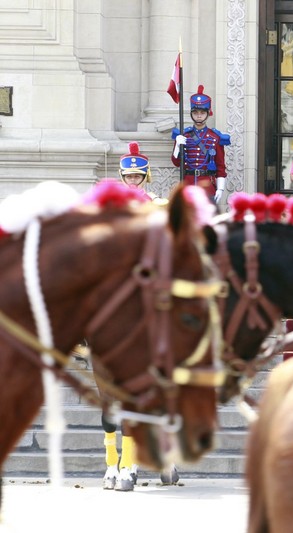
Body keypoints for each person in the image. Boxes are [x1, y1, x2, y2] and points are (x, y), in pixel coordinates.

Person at [103, 142, 179, 491]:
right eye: (128, 175)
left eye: (137, 175)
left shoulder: (156, 204)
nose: (133, 180)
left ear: (145, 176)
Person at [171, 85, 230, 205]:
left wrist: (220, 188)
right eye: (196, 112)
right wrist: (177, 146)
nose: (199, 115)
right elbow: (176, 163)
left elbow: (220, 166)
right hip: (187, 184)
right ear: (191, 113)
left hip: (207, 185)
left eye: (202, 112)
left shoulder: (215, 137)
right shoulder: (184, 135)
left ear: (208, 113)